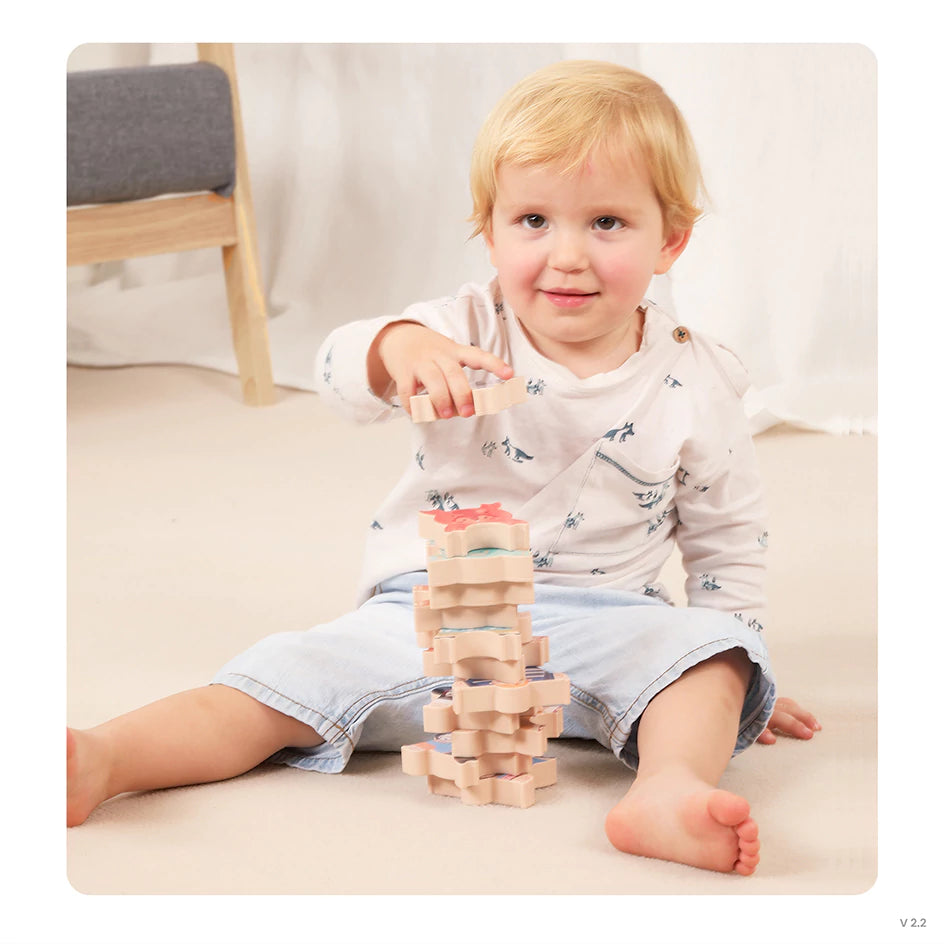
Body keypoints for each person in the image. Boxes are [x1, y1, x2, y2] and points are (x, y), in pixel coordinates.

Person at [67, 59, 820, 875]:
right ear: (489, 230)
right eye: (533, 220)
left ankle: (666, 789)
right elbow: (336, 365)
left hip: (610, 620)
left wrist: (745, 667)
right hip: (426, 616)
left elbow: (727, 537)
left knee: (709, 657)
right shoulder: (458, 327)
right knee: (279, 676)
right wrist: (398, 348)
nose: (566, 255)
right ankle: (103, 758)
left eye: (606, 223)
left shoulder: (700, 376)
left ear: (671, 239)